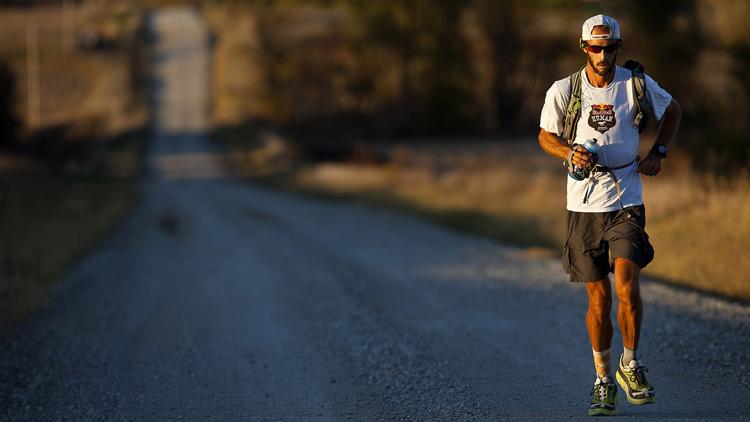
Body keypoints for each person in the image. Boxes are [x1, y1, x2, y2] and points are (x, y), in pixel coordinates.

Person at [537, 15, 681, 416]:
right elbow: (546, 136)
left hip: (627, 200)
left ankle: (630, 364)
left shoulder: (635, 84)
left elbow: (673, 112)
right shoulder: (565, 89)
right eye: (596, 48)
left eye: (611, 47)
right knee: (598, 299)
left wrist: (658, 153)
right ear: (584, 48)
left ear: (619, 46)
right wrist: (569, 153)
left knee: (627, 285)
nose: (604, 55)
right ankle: (603, 380)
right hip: (583, 206)